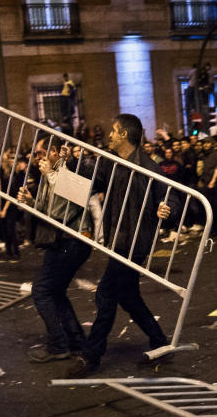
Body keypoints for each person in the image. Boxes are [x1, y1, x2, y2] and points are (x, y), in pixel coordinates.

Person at [67, 113, 172, 378]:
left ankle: (92, 356)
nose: (110, 135)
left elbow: (171, 197)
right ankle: (161, 342)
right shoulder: (111, 164)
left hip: (136, 242)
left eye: (114, 131)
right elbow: (89, 182)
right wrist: (67, 163)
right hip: (117, 240)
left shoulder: (149, 167)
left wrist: (165, 209)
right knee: (128, 296)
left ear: (124, 134)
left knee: (106, 294)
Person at [18, 139, 94, 363]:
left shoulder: (66, 171)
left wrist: (51, 174)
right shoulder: (50, 174)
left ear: (55, 152)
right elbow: (47, 211)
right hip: (64, 241)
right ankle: (76, 342)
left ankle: (59, 345)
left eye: (43, 152)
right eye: (36, 153)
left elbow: (60, 212)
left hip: (70, 241)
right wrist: (31, 202)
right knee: (55, 291)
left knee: (42, 291)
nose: (38, 157)